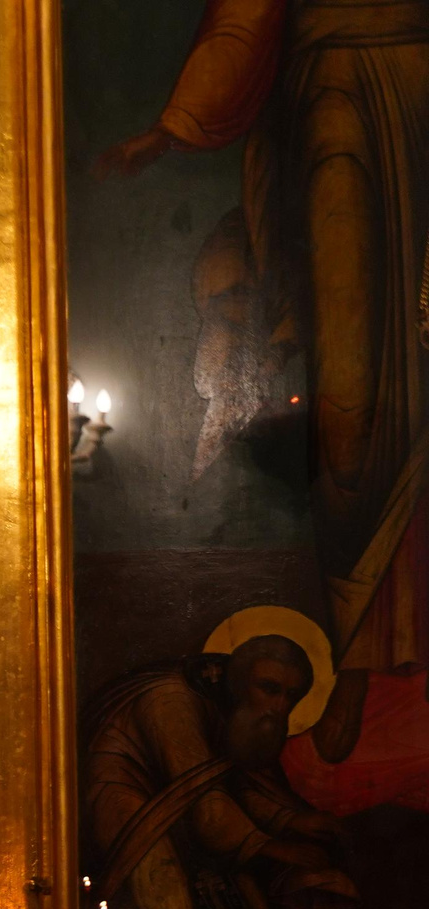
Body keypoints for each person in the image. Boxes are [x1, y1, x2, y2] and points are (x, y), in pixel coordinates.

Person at [101, 0, 429, 672]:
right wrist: (174, 126)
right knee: (348, 395)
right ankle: (362, 644)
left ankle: (396, 649)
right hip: (334, 104)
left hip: (419, 88)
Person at [84, 634, 388, 909]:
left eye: (290, 697)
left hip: (176, 807)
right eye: (270, 689)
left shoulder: (233, 711)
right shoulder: (171, 700)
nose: (278, 707)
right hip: (122, 797)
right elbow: (208, 807)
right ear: (240, 680)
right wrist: (272, 846)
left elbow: (233, 785)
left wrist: (289, 820)